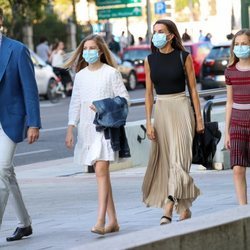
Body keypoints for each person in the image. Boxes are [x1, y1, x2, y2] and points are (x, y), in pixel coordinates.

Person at [65, 34, 130, 235]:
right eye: (86, 48)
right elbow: (75, 102)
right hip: (86, 129)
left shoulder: (111, 73)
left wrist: (102, 106)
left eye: (93, 48)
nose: (89, 51)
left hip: (105, 128)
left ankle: (101, 220)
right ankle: (114, 221)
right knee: (102, 175)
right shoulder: (81, 75)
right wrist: (70, 127)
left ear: (101, 50)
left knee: (101, 171)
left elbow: (124, 99)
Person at [142, 19, 204, 225]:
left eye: (161, 31)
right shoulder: (149, 60)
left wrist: (199, 119)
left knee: (180, 160)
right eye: (154, 31)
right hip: (161, 111)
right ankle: (184, 208)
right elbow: (149, 94)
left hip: (181, 108)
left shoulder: (183, 57)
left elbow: (193, 90)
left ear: (171, 36)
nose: (157, 35)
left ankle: (169, 206)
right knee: (168, 163)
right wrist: (149, 123)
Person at [0, 8, 41, 241]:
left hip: (11, 120)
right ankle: (25, 223)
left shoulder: (17, 50)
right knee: (7, 173)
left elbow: (30, 90)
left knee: (1, 169)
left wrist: (33, 123)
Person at [224, 28, 250, 205]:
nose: (240, 47)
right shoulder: (230, 71)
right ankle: (243, 210)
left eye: (245, 44)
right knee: (237, 169)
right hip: (237, 124)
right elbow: (229, 102)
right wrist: (227, 132)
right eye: (237, 44)